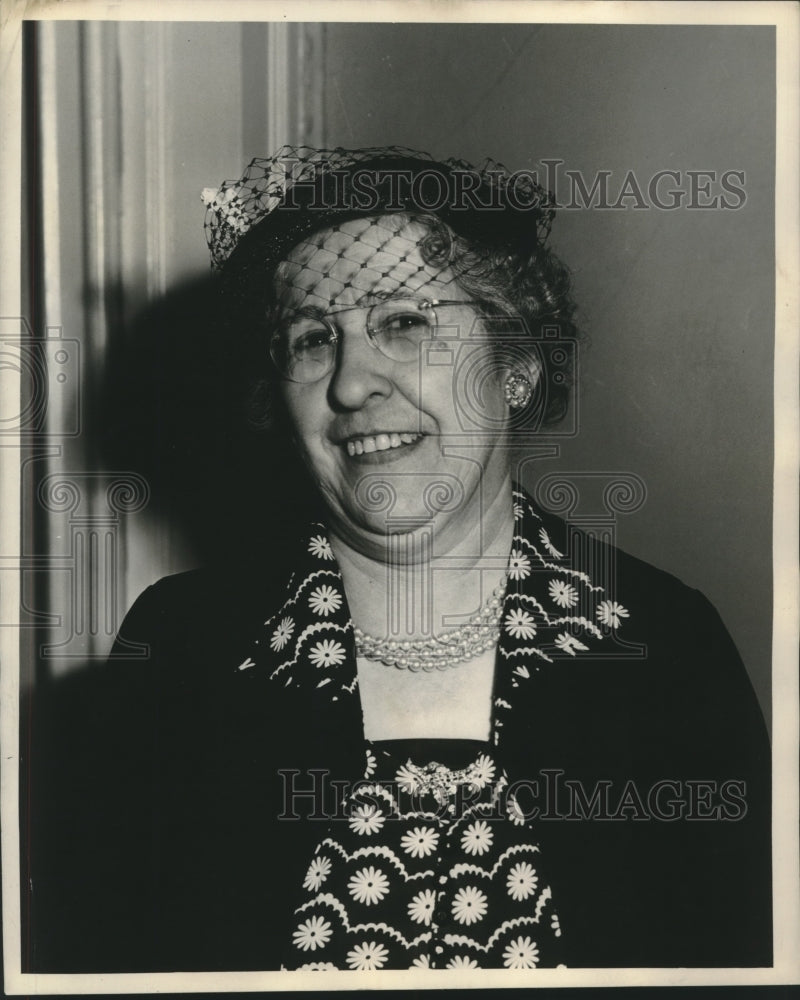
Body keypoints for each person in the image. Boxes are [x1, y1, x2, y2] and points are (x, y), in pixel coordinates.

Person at [30, 147, 771, 973]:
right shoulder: (178, 645)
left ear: (516, 366)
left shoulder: (666, 647)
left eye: (403, 324)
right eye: (312, 340)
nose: (351, 385)